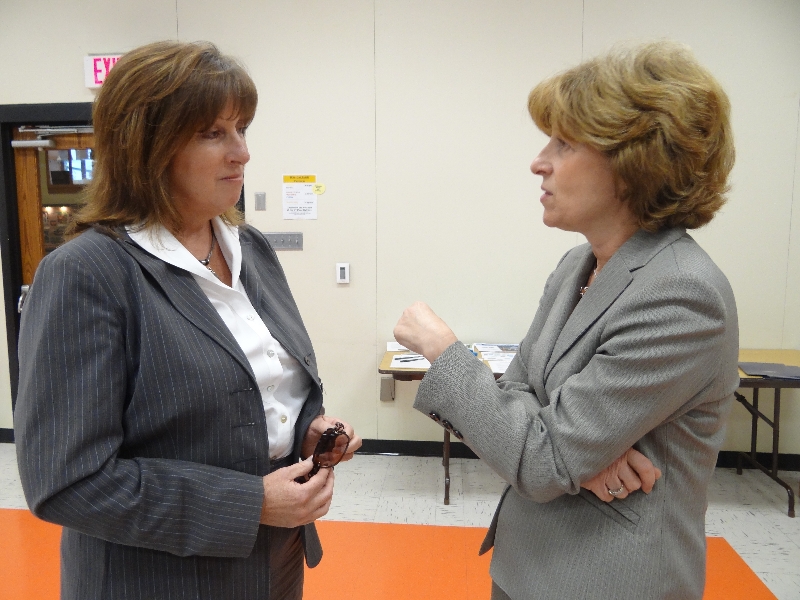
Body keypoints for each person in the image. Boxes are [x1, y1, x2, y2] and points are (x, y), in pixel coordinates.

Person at [14, 40, 360, 600]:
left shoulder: (250, 249)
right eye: (213, 133)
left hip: (275, 562)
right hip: (159, 579)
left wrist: (305, 430)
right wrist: (250, 503)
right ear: (147, 147)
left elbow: (254, 388)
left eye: (242, 129)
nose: (242, 153)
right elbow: (67, 482)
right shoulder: (88, 274)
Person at [394, 41, 738, 600]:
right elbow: (518, 393)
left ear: (635, 162)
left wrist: (443, 350)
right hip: (527, 563)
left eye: (564, 143)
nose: (539, 162)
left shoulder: (681, 294)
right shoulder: (577, 265)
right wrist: (578, 458)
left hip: (605, 580)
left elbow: (539, 458)